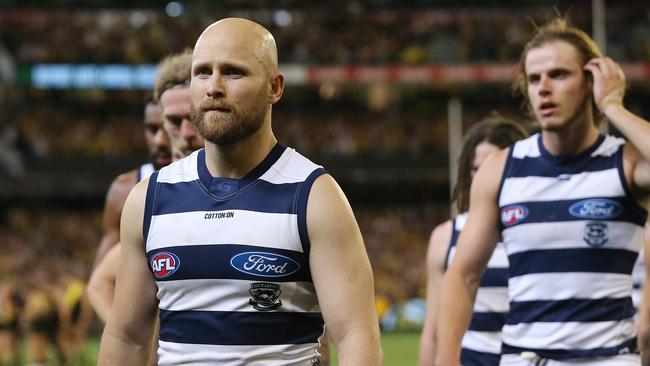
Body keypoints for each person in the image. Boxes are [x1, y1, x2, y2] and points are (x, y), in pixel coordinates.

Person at [98, 18, 382, 365]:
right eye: (202, 72)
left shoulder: (314, 197)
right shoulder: (149, 199)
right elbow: (126, 338)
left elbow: (356, 336)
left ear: (274, 87)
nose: (213, 87)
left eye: (233, 72)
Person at [436, 18, 650, 365]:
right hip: (525, 359)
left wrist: (612, 106)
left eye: (559, 75)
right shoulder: (500, 169)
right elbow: (462, 275)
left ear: (591, 81)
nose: (543, 88)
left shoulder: (624, 162)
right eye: (534, 79)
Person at [419, 116, 527, 366]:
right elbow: (433, 332)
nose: (484, 176)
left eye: (494, 165)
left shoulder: (539, 229)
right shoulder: (445, 237)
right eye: (476, 168)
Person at [91, 96, 171, 269]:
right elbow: (97, 284)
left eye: (168, 127)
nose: (160, 140)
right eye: (152, 129)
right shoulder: (123, 190)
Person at [153, 48, 204, 161]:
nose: (187, 134)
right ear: (163, 123)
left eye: (196, 118)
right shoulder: (141, 178)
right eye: (174, 122)